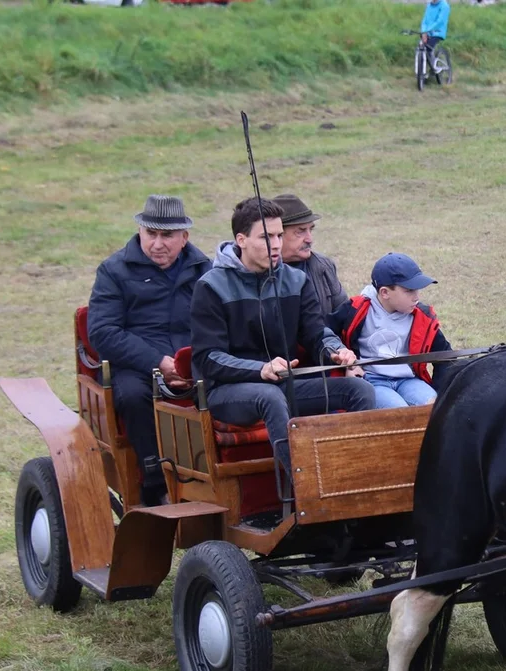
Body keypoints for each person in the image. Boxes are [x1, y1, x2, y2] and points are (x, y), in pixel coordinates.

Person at [191, 198, 375, 482]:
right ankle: (306, 490)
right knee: (270, 396)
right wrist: (259, 369)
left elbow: (315, 331)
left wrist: (335, 349)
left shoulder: (295, 281)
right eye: (266, 237)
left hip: (285, 383)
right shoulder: (210, 287)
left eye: (278, 235)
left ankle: (355, 478)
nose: (276, 244)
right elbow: (208, 357)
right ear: (241, 240)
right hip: (228, 392)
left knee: (359, 391)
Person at [87, 195, 211, 506]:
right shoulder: (114, 271)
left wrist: (189, 365)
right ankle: (154, 480)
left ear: (184, 238)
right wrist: (157, 363)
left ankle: (208, 475)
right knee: (132, 396)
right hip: (138, 365)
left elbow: (218, 323)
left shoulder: (204, 270)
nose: (157, 244)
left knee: (226, 390)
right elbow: (103, 332)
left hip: (193, 361)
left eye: (167, 235)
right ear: (140, 232)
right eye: (150, 233)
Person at [328, 252, 452, 409]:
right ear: (384, 292)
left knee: (435, 408)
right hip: (372, 380)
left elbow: (445, 355)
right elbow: (326, 335)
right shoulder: (355, 309)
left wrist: (439, 390)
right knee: (399, 414)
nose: (416, 297)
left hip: (408, 380)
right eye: (409, 291)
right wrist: (348, 364)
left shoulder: (421, 317)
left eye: (417, 290)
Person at [272, 193, 349, 317]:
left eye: (310, 230)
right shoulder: (259, 271)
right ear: (277, 234)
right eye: (300, 231)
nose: (309, 239)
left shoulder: (323, 266)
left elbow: (344, 316)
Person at [420, 0, 451, 69]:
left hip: (438, 32)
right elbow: (424, 20)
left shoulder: (444, 5)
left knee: (428, 48)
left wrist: (426, 31)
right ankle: (421, 72)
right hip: (427, 32)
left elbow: (440, 21)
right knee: (421, 48)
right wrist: (423, 31)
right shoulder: (429, 5)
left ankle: (433, 68)